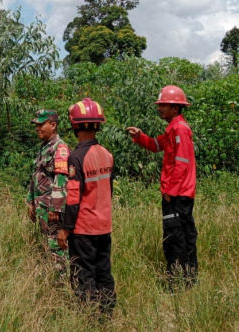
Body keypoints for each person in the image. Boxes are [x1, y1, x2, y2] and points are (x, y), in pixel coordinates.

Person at [126, 85, 198, 287]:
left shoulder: (180, 129)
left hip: (177, 195)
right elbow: (156, 145)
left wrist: (170, 192)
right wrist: (139, 136)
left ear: (175, 108)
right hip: (178, 194)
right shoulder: (173, 128)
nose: (159, 109)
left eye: (163, 105)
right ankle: (187, 280)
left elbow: (181, 163)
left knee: (175, 238)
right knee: (182, 235)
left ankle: (178, 283)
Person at [58, 98, 115, 313]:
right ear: (98, 124)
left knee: (84, 275)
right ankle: (107, 314)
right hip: (104, 226)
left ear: (74, 124)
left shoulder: (76, 157)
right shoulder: (107, 154)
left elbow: (73, 199)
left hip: (84, 229)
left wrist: (65, 228)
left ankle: (89, 317)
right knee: (103, 272)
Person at [26, 109, 71, 274]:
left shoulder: (60, 148)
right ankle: (52, 279)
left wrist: (56, 207)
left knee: (57, 247)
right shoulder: (43, 147)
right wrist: (31, 202)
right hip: (42, 207)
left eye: (41, 124)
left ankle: (62, 283)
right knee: (47, 245)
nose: (37, 128)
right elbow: (36, 176)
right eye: (36, 125)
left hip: (52, 210)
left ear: (53, 125)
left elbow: (62, 178)